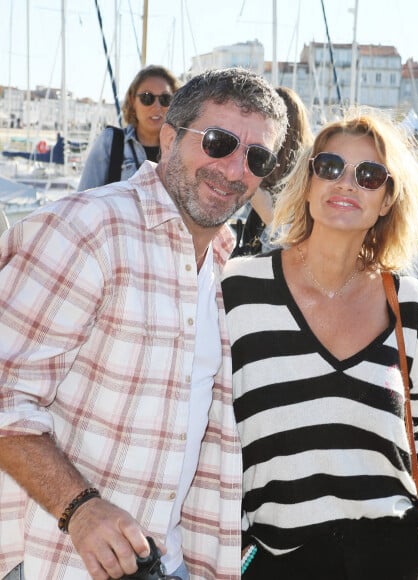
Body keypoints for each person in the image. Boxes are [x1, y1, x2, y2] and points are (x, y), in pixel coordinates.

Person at [0, 67, 288, 580]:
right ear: (170, 138)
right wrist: (81, 507)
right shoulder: (86, 229)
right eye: (219, 142)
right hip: (60, 563)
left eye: (257, 156)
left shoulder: (223, 267)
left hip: (173, 563)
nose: (234, 169)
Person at [222, 109, 418, 579]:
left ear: (387, 200)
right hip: (275, 561)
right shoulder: (240, 289)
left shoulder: (405, 299)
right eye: (329, 167)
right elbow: (210, 428)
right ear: (308, 183)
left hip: (387, 559)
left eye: (368, 176)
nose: (346, 184)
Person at [231, 86, 313, 256]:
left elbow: (295, 250)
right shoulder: (309, 170)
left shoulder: (261, 170)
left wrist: (268, 215)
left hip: (270, 263)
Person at [77, 65, 180, 190]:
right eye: (147, 98)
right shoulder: (111, 142)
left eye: (165, 98)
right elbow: (85, 198)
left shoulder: (182, 147)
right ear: (132, 100)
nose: (157, 106)